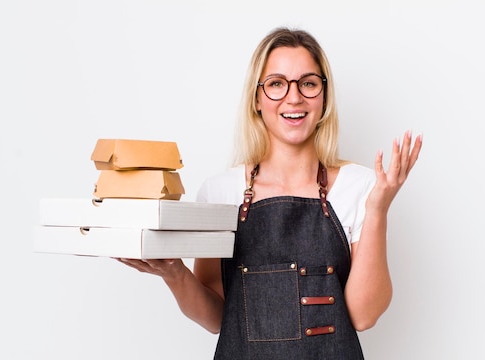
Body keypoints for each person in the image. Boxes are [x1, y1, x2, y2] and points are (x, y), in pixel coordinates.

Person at [118, 27, 422, 359]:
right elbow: (215, 317)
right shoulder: (220, 192)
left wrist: (377, 209)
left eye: (308, 83)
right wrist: (173, 271)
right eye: (277, 84)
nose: (294, 98)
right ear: (257, 99)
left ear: (324, 96)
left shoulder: (359, 186)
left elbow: (365, 316)